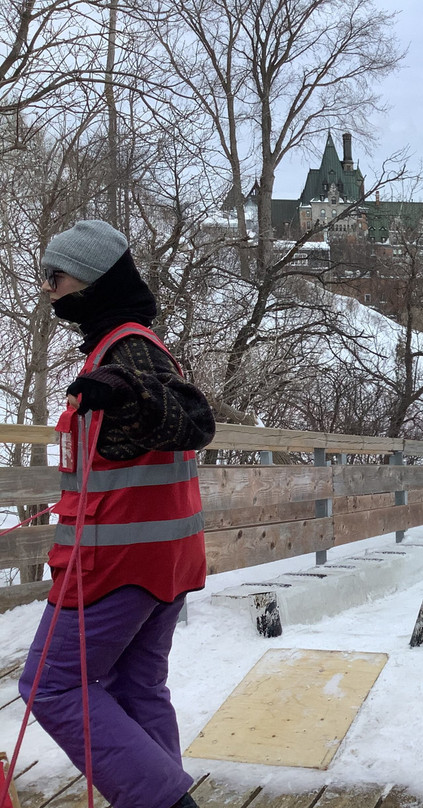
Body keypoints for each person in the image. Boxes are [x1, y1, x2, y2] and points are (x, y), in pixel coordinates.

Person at [19, 221, 215, 808]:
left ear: (94, 278)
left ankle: (166, 804)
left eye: (57, 277)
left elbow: (191, 420)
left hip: (118, 565)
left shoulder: (127, 350)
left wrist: (128, 394)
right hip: (166, 560)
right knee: (136, 686)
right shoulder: (125, 345)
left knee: (49, 686)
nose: (50, 289)